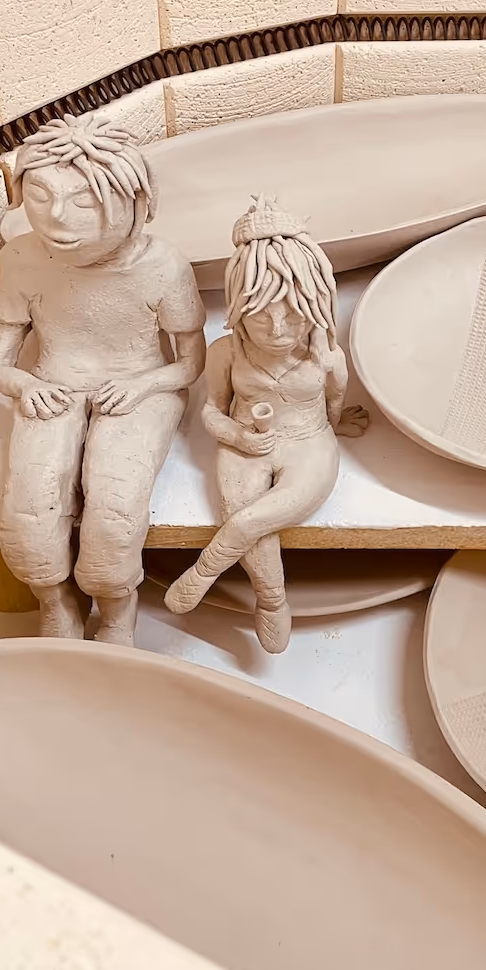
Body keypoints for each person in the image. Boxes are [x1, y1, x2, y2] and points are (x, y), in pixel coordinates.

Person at [0, 112, 206, 646]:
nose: (56, 217)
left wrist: (145, 386)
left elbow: (190, 363)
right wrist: (24, 386)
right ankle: (54, 601)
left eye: (83, 202)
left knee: (114, 506)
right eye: (40, 196)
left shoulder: (162, 265)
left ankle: (115, 612)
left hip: (137, 387)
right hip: (52, 383)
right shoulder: (20, 258)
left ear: (131, 201)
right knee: (29, 509)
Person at [163, 195, 367, 654]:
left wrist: (337, 424)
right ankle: (271, 600)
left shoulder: (327, 357)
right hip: (244, 443)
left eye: (293, 315)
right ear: (237, 309)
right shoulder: (226, 352)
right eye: (261, 317)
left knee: (252, 519)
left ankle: (205, 574)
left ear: (313, 306)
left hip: (307, 441)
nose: (278, 330)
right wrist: (236, 435)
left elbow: (335, 402)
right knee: (244, 512)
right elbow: (211, 410)